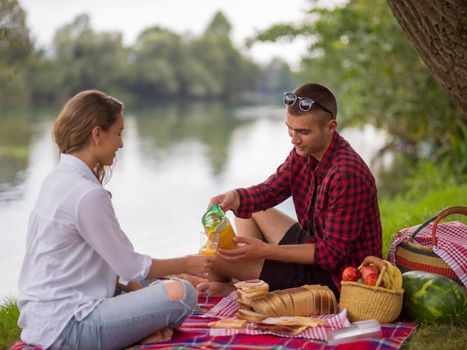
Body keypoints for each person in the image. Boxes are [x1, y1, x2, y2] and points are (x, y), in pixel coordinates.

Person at [17, 90, 216, 350]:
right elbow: (130, 266)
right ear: (97, 134)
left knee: (153, 284)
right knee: (182, 293)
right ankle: (134, 332)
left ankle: (137, 330)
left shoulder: (57, 178)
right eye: (119, 133)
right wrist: (188, 262)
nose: (121, 144)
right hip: (68, 329)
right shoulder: (86, 194)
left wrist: (143, 289)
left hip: (42, 319)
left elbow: (114, 266)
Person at [195, 82, 382, 298]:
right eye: (290, 129)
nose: (293, 139)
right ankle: (250, 284)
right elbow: (269, 191)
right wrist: (235, 197)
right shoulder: (304, 152)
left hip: (339, 277)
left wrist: (265, 251)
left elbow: (332, 255)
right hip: (314, 248)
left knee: (212, 260)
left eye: (303, 132)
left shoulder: (347, 175)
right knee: (246, 209)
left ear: (330, 127)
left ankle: (244, 285)